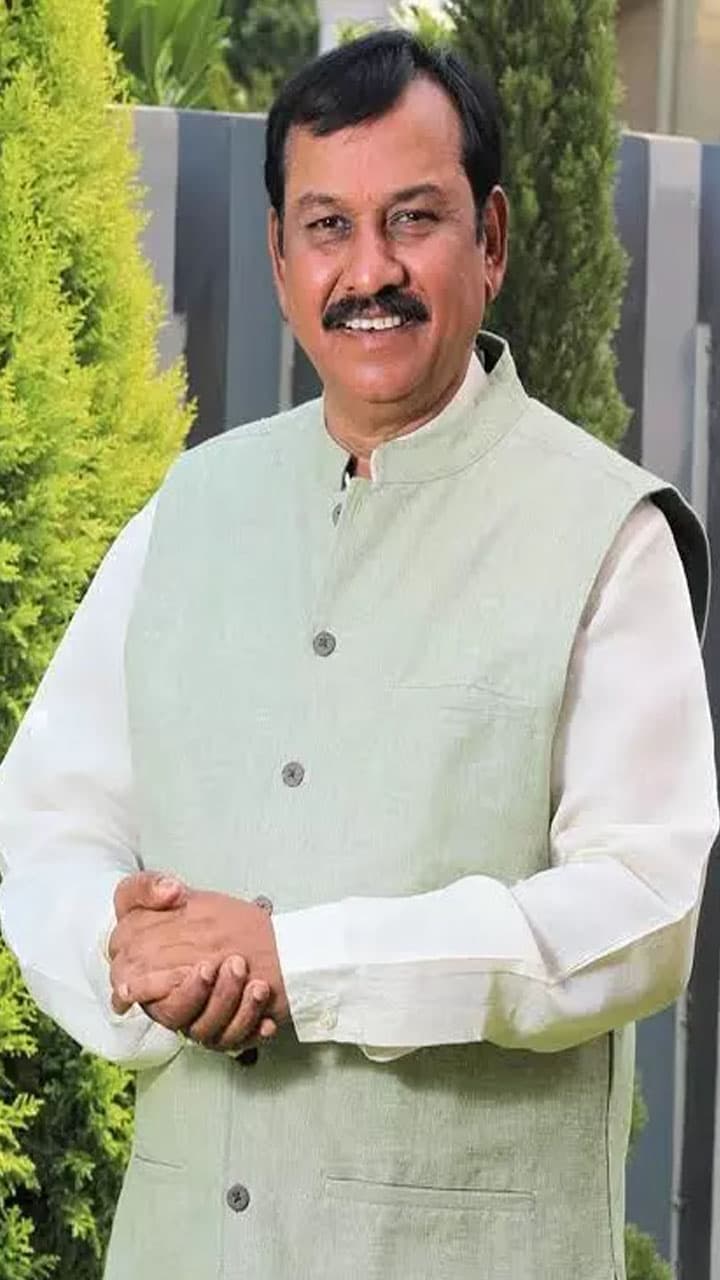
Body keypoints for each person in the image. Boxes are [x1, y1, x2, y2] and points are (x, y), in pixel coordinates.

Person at [0, 29, 716, 1280]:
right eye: (327, 226)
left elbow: (639, 908)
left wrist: (304, 963)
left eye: (413, 219)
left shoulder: (605, 534)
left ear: (491, 239)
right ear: (281, 260)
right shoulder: (190, 508)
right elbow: (45, 820)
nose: (368, 270)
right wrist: (120, 946)